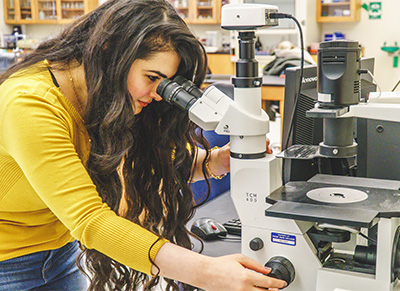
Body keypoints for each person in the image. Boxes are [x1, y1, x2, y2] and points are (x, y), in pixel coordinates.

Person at [0, 0, 285, 290]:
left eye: (165, 85)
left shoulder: (102, 93)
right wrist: (207, 272)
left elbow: (154, 162)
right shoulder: (31, 103)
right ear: (110, 52)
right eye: (152, 78)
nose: (158, 95)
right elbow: (91, 220)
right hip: (6, 264)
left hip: (60, 253)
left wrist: (215, 161)